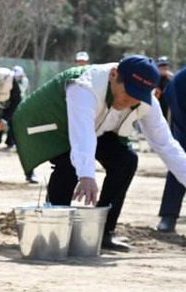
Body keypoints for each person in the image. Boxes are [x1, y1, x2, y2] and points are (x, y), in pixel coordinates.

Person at [12, 55, 186, 252]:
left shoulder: (146, 102)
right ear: (114, 75)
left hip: (98, 128)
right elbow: (82, 134)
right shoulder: (85, 86)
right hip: (53, 123)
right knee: (69, 164)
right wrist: (86, 175)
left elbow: (166, 145)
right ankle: (55, 233)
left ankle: (103, 232)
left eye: (137, 97)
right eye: (127, 93)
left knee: (126, 160)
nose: (129, 101)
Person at [157, 65, 186, 233]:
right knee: (180, 163)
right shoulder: (181, 79)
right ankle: (169, 215)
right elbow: (171, 95)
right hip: (184, 122)